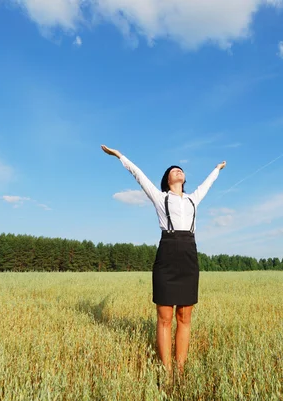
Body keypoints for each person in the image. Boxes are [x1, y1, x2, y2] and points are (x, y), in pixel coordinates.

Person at [101, 144, 226, 375]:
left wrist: (217, 169)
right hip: (167, 254)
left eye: (181, 170)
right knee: (165, 316)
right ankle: (166, 371)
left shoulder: (192, 199)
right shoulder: (160, 198)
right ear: (167, 179)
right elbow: (138, 174)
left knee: (184, 316)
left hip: (189, 254)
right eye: (173, 170)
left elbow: (208, 184)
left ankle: (180, 369)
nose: (178, 170)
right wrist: (119, 155)